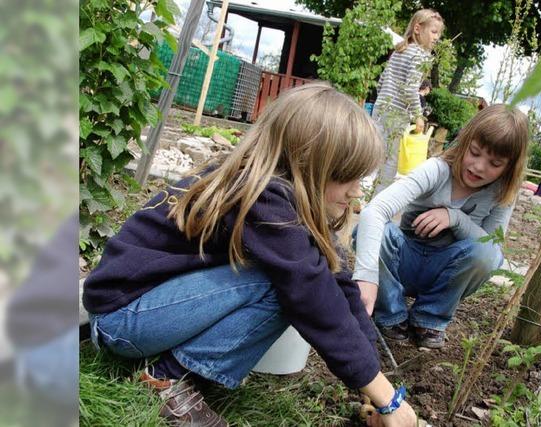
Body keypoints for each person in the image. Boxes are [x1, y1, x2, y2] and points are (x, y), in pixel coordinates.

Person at [82, 83, 420, 427]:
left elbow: (340, 287)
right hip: (120, 318)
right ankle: (166, 378)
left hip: (149, 309)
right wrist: (385, 397)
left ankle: (180, 368)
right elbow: (313, 297)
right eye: (345, 177)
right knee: (283, 286)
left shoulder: (287, 196)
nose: (355, 191)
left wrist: (375, 387)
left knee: (301, 278)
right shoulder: (263, 197)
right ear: (307, 163)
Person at [353, 104, 529, 350]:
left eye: (495, 163)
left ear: (509, 167)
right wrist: (367, 276)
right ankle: (390, 314)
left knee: (488, 253)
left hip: (446, 272)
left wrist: (454, 218)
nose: (479, 166)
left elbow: (493, 246)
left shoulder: (502, 193)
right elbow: (375, 210)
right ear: (464, 142)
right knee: (372, 230)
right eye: (475, 152)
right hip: (405, 260)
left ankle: (429, 319)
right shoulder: (436, 170)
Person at [372, 9, 444, 196]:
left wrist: (383, 100)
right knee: (390, 159)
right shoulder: (420, 56)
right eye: (434, 32)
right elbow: (410, 89)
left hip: (381, 106)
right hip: (396, 113)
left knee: (371, 151)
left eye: (439, 34)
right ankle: (378, 200)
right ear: (418, 28)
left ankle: (356, 192)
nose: (437, 38)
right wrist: (418, 115)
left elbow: (381, 82)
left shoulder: (400, 50)